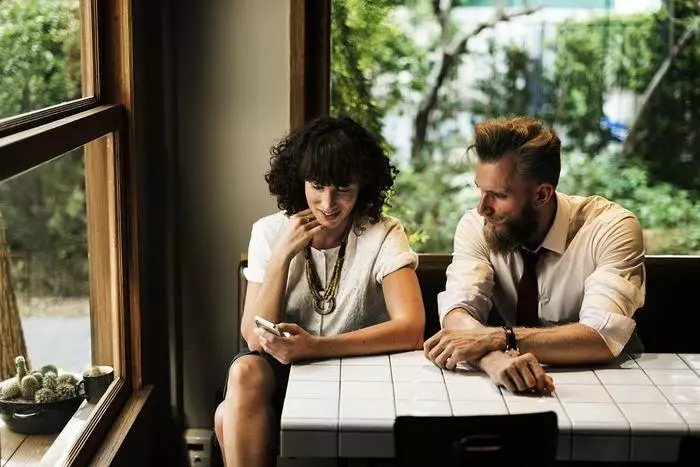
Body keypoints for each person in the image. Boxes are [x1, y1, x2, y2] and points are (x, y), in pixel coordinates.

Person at [214, 116, 425, 467]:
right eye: (318, 185)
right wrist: (282, 254)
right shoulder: (269, 232)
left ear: (363, 186)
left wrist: (316, 348)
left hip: (361, 370)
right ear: (301, 182)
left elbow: (412, 327)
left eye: (343, 188)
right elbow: (254, 337)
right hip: (282, 375)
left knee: (225, 417)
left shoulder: (383, 232)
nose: (328, 202)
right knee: (244, 371)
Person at [424, 115, 645, 395]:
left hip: (616, 388)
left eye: (499, 195)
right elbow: (458, 312)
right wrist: (493, 359)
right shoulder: (477, 225)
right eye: (480, 191)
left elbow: (601, 337)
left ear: (542, 195)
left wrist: (500, 339)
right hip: (510, 388)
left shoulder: (611, 227)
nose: (482, 208)